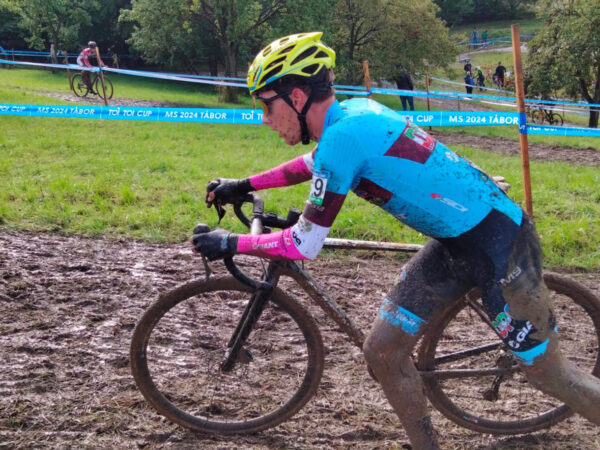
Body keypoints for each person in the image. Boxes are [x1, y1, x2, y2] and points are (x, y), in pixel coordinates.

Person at [192, 32, 600, 449]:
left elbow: (303, 243)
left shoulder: (344, 135)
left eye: (266, 105)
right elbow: (311, 164)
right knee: (383, 352)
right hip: (454, 244)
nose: (264, 117)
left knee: (550, 375)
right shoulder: (353, 114)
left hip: (501, 247)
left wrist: (230, 243)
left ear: (296, 97)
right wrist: (244, 183)